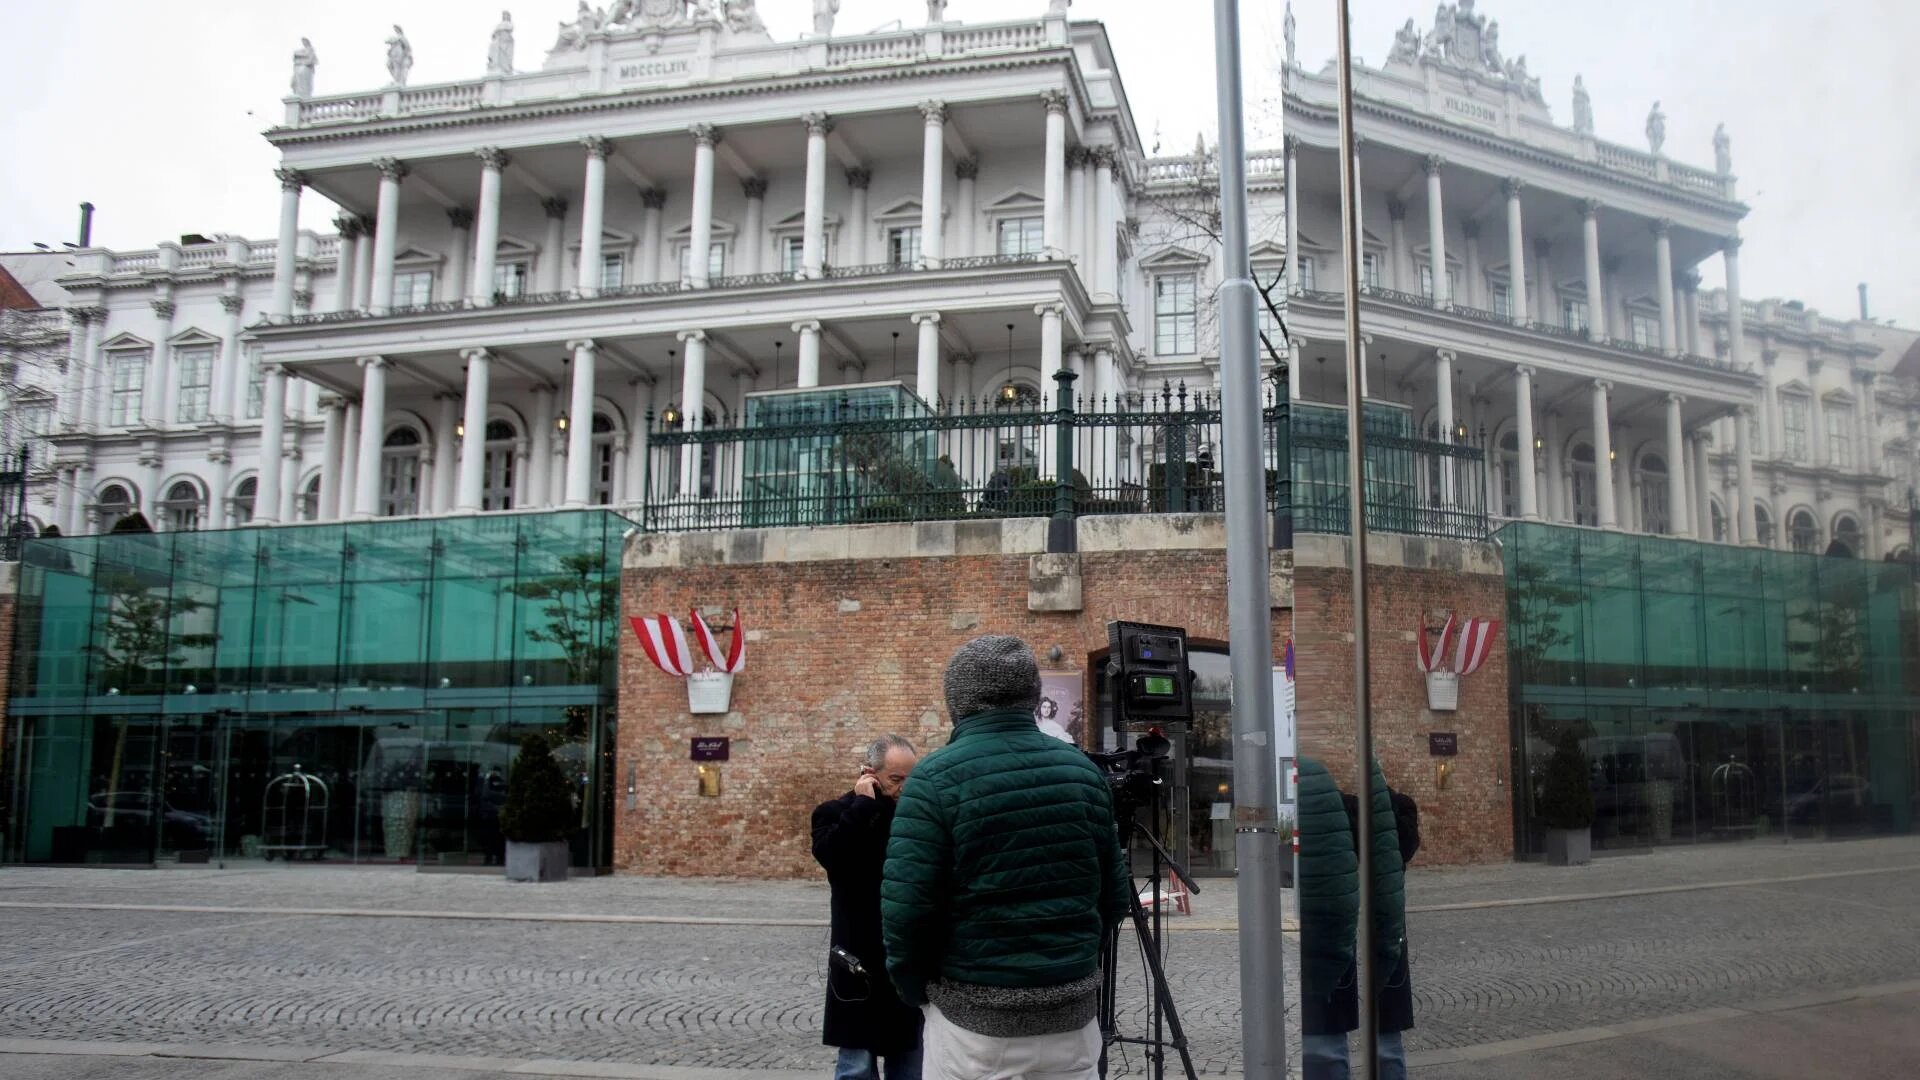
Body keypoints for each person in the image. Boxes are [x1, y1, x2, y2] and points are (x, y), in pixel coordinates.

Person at [882, 635, 1130, 1080]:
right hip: (1070, 1021)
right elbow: (1113, 898)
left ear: (956, 700)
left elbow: (907, 914)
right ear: (1033, 697)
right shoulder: (1083, 775)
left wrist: (916, 992)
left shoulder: (933, 781)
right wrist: (1070, 967)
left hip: (972, 1027)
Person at [1296, 757, 1414, 1080]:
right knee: (1346, 1048)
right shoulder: (1384, 808)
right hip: (1357, 930)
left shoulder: (1389, 809)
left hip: (1362, 929)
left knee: (1339, 1049)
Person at [813, 735, 923, 1080]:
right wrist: (864, 807)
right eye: (896, 780)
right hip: (857, 960)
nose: (904, 788)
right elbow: (834, 856)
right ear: (869, 774)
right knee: (856, 1067)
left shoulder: (917, 819)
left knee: (910, 1065)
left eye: (911, 779)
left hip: (904, 957)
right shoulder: (834, 813)